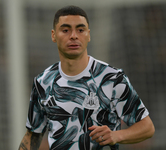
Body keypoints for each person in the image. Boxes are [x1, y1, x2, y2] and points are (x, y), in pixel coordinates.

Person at [18, 5, 155, 150]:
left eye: (80, 30)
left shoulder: (112, 78)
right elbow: (33, 135)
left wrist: (116, 135)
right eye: (65, 30)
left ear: (88, 35)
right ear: (53, 35)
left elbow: (147, 127)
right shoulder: (42, 82)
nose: (74, 36)